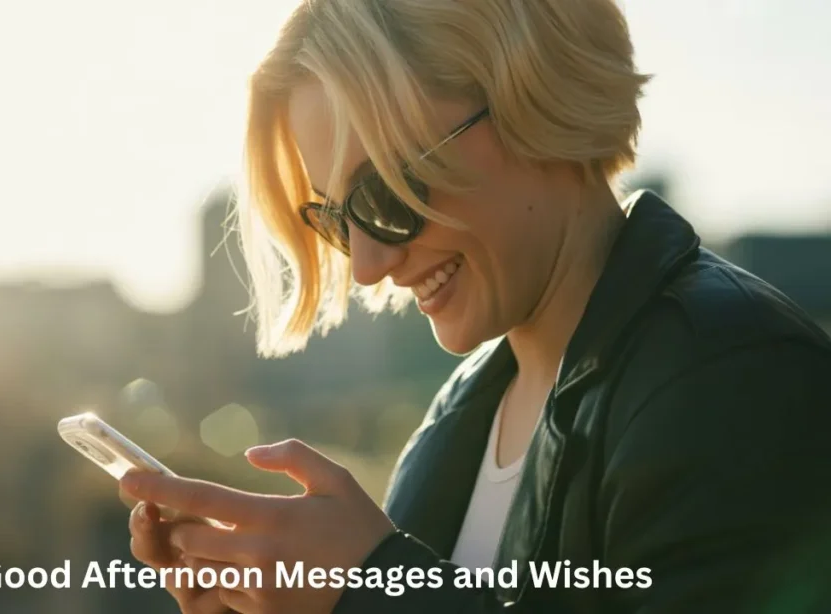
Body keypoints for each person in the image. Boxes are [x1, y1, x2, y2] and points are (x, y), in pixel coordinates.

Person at [121, 0, 831, 612]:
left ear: (534, 101)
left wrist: (374, 590)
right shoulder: (461, 414)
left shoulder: (732, 378)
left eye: (387, 194)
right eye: (335, 218)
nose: (367, 267)